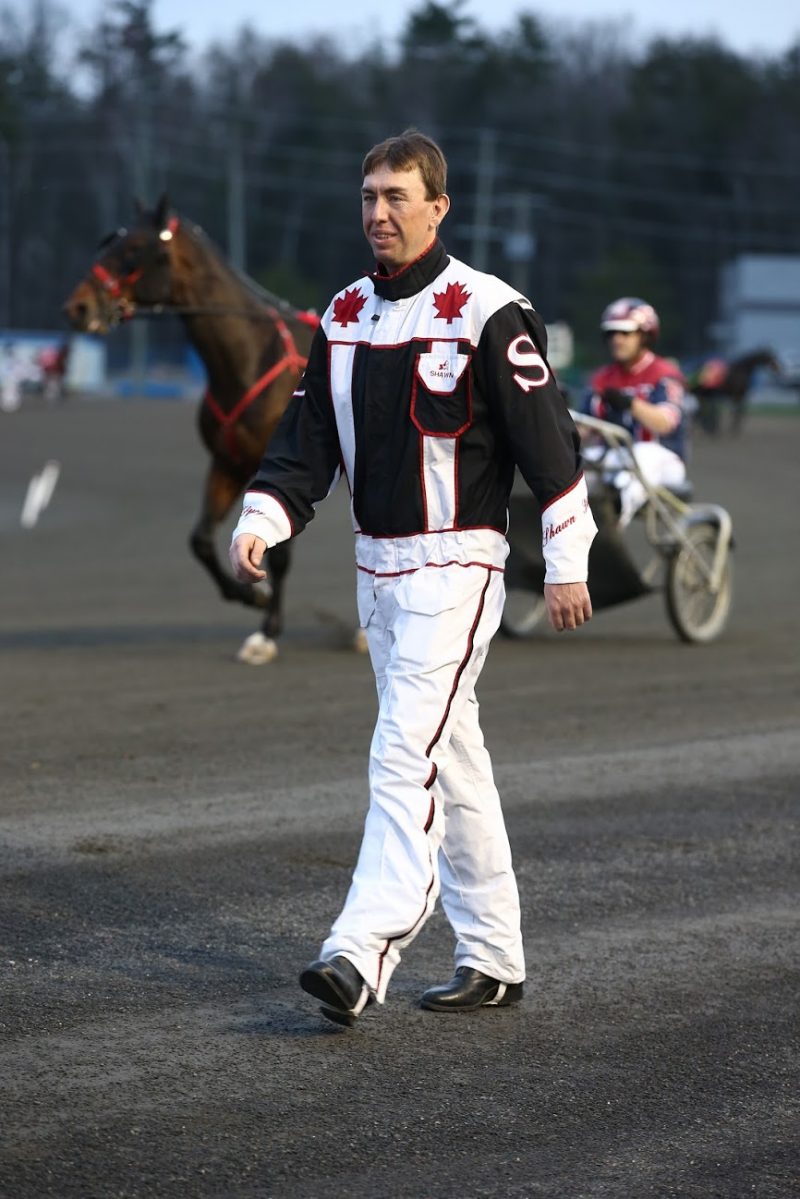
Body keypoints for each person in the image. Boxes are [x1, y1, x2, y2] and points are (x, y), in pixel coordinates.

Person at [229, 129, 596, 1026]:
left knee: (401, 752)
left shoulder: (491, 310)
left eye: (397, 197)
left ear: (439, 206)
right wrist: (262, 519)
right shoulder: (343, 315)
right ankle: (495, 956)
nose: (379, 213)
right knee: (451, 760)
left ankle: (360, 950)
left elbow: (550, 447)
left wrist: (567, 558)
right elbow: (304, 447)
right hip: (378, 575)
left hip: (460, 566)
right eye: (369, 198)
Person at [583, 297, 688, 526]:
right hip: (613, 458)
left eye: (625, 333)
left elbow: (666, 423)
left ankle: (610, 532)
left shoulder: (664, 374)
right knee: (572, 467)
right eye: (611, 333)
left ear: (645, 335)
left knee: (640, 455)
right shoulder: (601, 378)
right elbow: (583, 431)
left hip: (662, 459)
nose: (616, 340)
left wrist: (631, 404)